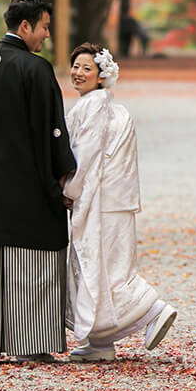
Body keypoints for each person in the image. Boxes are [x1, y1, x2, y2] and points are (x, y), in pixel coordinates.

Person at [0, 0, 76, 364]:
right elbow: (52, 130)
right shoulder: (35, 68)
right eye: (43, 27)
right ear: (25, 26)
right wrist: (63, 176)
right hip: (30, 185)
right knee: (36, 262)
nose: (46, 35)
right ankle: (30, 345)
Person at [62, 42, 176, 361]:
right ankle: (100, 344)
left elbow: (85, 158)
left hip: (99, 202)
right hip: (115, 201)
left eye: (87, 68)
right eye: (75, 66)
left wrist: (68, 191)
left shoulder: (93, 105)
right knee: (104, 266)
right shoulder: (111, 106)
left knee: (98, 267)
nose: (78, 73)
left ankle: (152, 308)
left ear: (101, 75)